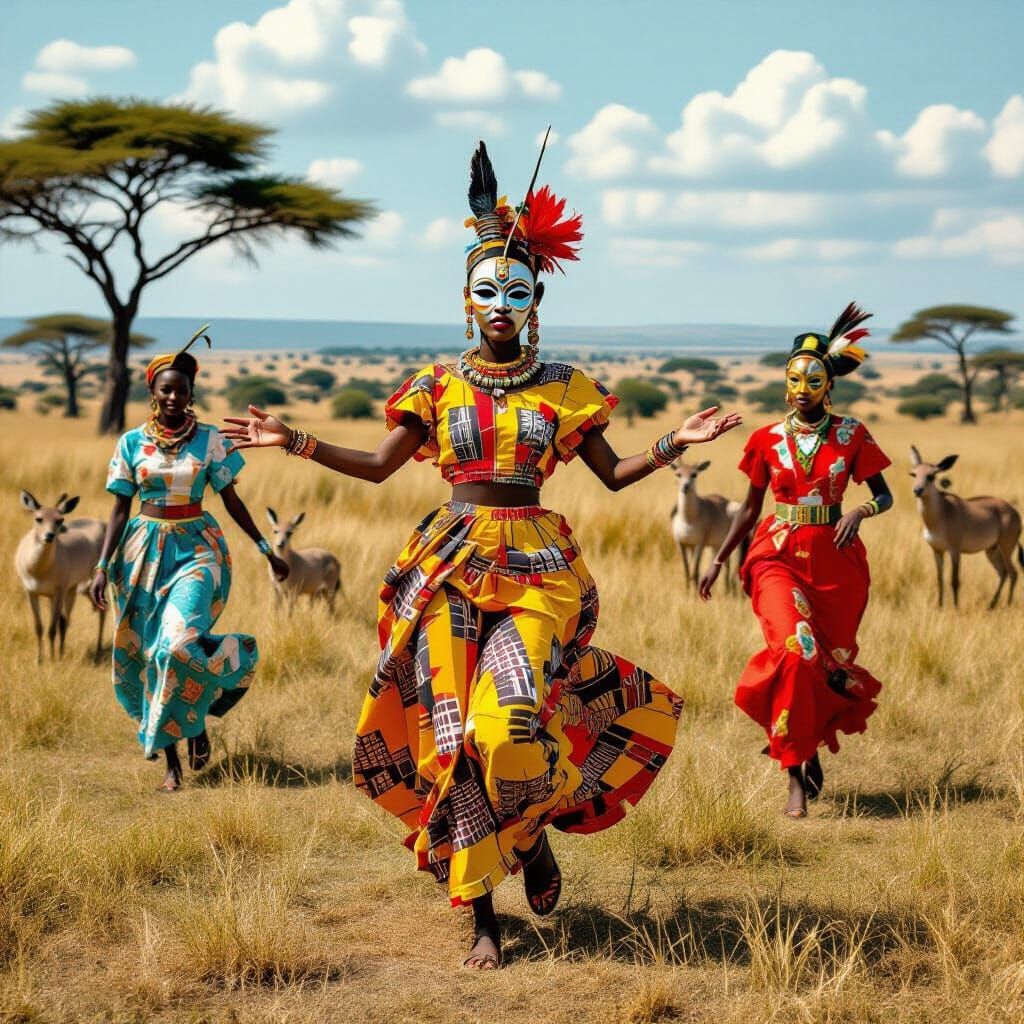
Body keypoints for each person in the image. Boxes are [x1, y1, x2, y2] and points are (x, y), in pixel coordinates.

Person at [222, 139, 741, 970]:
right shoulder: (436, 383)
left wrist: (675, 442)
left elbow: (611, 476)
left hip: (537, 568)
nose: (501, 303)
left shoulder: (565, 384)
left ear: (535, 303)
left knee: (511, 726)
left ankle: (531, 834)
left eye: (516, 291)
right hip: (449, 563)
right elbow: (381, 465)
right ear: (467, 301)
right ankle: (482, 916)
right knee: (454, 731)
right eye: (486, 291)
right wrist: (298, 441)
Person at [699, 304, 893, 818]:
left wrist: (860, 508)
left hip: (836, 561)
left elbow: (886, 495)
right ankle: (795, 779)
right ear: (786, 384)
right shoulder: (766, 438)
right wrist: (719, 560)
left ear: (830, 386)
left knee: (823, 663)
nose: (803, 386)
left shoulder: (852, 435)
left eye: (814, 378)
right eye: (795, 378)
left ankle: (804, 740)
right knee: (794, 648)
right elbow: (749, 508)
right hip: (776, 554)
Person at [89, 327, 288, 792]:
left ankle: (203, 707)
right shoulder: (131, 443)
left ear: (191, 392)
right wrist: (101, 566)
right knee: (151, 654)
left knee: (176, 646)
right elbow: (119, 507)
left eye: (182, 389)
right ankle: (175, 761)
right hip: (142, 553)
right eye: (166, 390)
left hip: (198, 549)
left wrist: (266, 549)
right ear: (152, 394)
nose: (174, 396)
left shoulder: (211, 441)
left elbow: (232, 500)